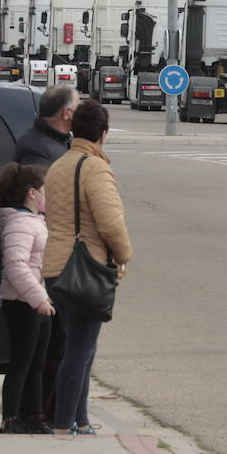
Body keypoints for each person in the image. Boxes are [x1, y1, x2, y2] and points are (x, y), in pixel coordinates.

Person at [42, 99, 132, 435]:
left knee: (76, 347)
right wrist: (124, 254)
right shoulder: (95, 168)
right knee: (81, 350)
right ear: (103, 134)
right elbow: (110, 223)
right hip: (85, 267)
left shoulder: (59, 165)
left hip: (55, 267)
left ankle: (80, 420)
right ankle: (66, 423)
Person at [11, 84, 76, 424]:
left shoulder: (50, 144)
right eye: (76, 105)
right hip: (44, 260)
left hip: (50, 255)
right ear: (66, 114)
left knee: (52, 344)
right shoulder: (40, 151)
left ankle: (42, 411)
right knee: (50, 346)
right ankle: (39, 414)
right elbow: (43, 206)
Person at [0, 163, 55, 435]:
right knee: (21, 361)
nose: (47, 196)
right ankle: (10, 417)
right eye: (44, 191)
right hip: (22, 302)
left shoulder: (33, 221)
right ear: (31, 193)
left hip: (37, 300)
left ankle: (35, 415)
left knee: (38, 363)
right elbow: (16, 265)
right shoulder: (19, 223)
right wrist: (38, 298)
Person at [14, 85, 77, 167]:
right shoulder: (36, 151)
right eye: (78, 108)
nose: (81, 114)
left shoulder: (59, 140)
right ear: (67, 113)